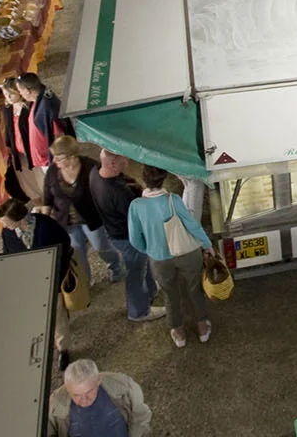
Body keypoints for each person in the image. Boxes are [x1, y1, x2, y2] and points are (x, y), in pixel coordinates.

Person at [128, 174, 215, 349]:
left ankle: (178, 332)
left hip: (159, 258)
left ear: (144, 180)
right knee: (194, 289)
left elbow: (134, 239)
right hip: (186, 253)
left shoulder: (136, 206)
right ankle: (202, 327)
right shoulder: (172, 200)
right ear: (163, 179)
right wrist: (207, 245)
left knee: (169, 293)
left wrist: (150, 249)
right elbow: (192, 225)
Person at [91, 149, 163, 323]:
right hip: (128, 237)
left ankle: (151, 290)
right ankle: (139, 311)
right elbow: (137, 218)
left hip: (113, 231)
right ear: (113, 164)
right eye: (123, 158)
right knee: (135, 272)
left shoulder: (95, 174)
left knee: (142, 265)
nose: (127, 160)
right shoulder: (119, 192)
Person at [0, 197, 73, 360]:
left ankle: (63, 350)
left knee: (57, 315)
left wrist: (57, 270)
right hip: (28, 282)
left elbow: (65, 243)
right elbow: (7, 255)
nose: (4, 226)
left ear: (20, 219)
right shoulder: (7, 233)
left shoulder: (46, 225)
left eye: (6, 222)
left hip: (51, 278)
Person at [43, 136, 120, 287]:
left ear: (72, 156)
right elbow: (47, 196)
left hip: (91, 219)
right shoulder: (53, 172)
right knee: (78, 252)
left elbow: (104, 191)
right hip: (67, 222)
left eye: (59, 158)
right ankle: (86, 281)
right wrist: (44, 221)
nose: (55, 161)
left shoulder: (91, 168)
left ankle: (116, 266)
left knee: (101, 247)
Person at [49, 359, 152, 437]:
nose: (84, 400)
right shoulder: (54, 404)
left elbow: (141, 416)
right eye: (76, 395)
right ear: (67, 388)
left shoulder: (124, 387)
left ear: (98, 381)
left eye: (90, 391)